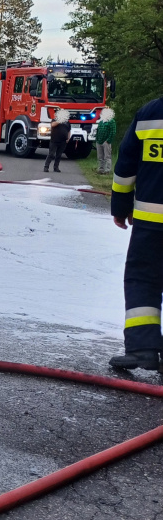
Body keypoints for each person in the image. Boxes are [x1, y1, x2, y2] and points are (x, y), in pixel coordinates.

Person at [109, 95, 163, 371]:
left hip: (151, 223)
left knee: (143, 279)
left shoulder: (151, 113)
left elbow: (125, 168)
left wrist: (120, 206)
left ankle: (143, 349)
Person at [43, 108, 71, 173]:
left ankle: (56, 167)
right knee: (51, 154)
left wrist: (68, 138)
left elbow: (69, 130)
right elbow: (52, 125)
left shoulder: (67, 122)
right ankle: (46, 167)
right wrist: (60, 120)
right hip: (54, 140)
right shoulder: (55, 120)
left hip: (63, 141)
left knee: (59, 155)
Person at [95, 106, 115, 174]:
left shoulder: (111, 121)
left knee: (107, 156)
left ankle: (107, 170)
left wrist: (108, 140)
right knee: (100, 156)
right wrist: (97, 139)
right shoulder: (101, 121)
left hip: (106, 142)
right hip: (99, 141)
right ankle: (101, 169)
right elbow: (98, 130)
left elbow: (113, 132)